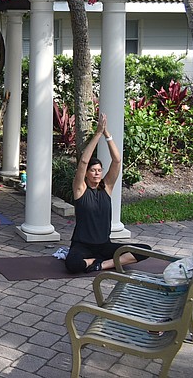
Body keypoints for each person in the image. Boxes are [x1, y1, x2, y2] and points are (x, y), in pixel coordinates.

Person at [65, 114, 152, 274]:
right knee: (72, 264)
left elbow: (117, 161)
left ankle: (100, 265)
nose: (97, 173)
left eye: (99, 170)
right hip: (82, 245)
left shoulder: (107, 187)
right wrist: (98, 133)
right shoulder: (80, 190)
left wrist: (107, 134)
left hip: (104, 245)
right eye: (93, 170)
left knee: (145, 250)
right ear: (87, 174)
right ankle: (101, 262)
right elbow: (83, 161)